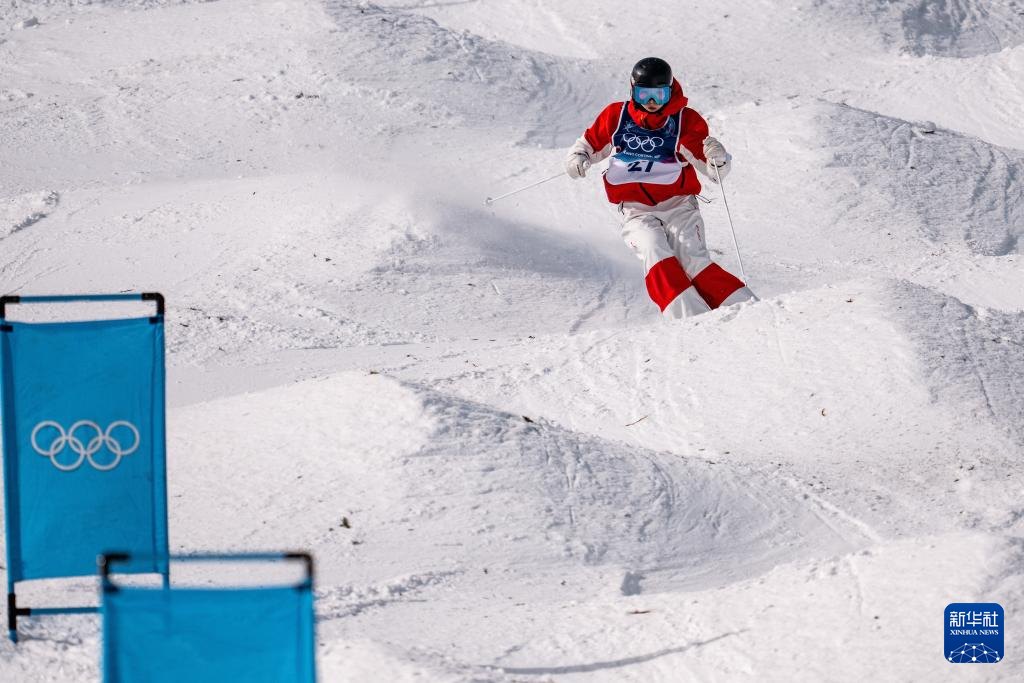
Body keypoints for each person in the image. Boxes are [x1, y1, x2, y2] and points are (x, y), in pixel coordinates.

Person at [565, 57, 756, 318]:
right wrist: (577, 158)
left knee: (692, 260)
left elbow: (713, 171)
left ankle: (748, 311)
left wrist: (718, 159)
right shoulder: (617, 116)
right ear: (633, 90)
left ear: (670, 90)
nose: (652, 102)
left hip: (678, 205)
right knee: (654, 250)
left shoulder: (684, 120)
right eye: (644, 94)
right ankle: (691, 318)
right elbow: (587, 144)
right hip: (636, 210)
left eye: (660, 94)